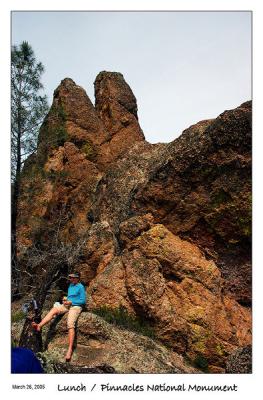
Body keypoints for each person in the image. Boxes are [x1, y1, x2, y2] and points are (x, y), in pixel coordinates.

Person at [32, 272, 86, 362]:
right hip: (67, 305)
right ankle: (39, 325)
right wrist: (65, 300)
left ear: (78, 278)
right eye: (70, 277)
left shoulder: (80, 287)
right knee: (54, 310)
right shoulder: (71, 286)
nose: (71, 279)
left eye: (73, 278)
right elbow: (69, 298)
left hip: (76, 306)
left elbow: (83, 301)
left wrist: (71, 302)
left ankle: (70, 349)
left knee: (70, 324)